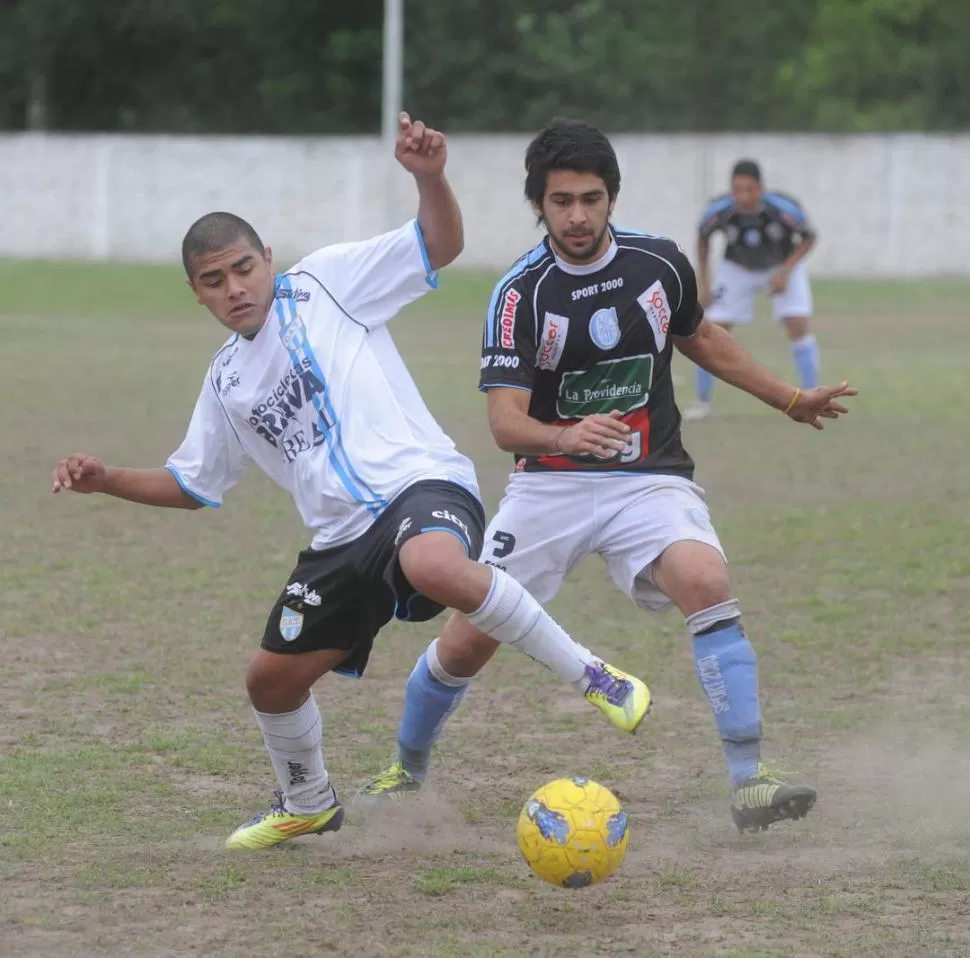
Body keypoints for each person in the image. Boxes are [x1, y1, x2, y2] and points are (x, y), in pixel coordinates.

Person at [50, 113, 649, 850]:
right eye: (215, 280)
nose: (235, 287)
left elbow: (440, 244)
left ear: (267, 258)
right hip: (340, 538)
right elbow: (193, 481)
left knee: (430, 560)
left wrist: (428, 176)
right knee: (270, 681)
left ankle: (595, 676)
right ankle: (307, 800)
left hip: (422, 485)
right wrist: (106, 478)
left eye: (244, 267)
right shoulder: (228, 381)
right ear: (196, 292)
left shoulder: (325, 283)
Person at [361, 117, 856, 833]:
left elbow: (703, 338)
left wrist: (788, 397)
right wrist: (566, 433)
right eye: (561, 201)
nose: (578, 215)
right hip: (546, 486)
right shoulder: (519, 295)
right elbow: (506, 423)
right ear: (539, 205)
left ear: (612, 197)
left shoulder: (659, 266)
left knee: (707, 581)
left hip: (648, 478)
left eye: (591, 198)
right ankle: (406, 772)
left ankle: (750, 779)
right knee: (468, 638)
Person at [684, 159, 818, 421]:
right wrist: (704, 282)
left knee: (797, 323)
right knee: (709, 329)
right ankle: (702, 402)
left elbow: (809, 237)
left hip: (781, 264)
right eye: (738, 189)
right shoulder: (718, 209)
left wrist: (785, 271)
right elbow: (703, 238)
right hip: (737, 268)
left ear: (761, 188)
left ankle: (813, 395)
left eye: (750, 189)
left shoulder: (782, 208)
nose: (744, 196)